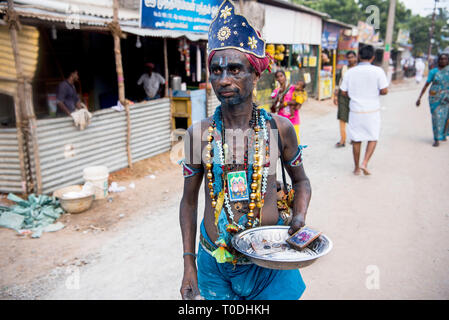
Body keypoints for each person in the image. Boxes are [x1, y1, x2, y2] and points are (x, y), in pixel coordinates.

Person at [179, 0, 311, 300]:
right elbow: (188, 203)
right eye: (216, 70)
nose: (223, 79)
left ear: (256, 75)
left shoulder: (280, 128)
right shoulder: (197, 135)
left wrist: (299, 218)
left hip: (270, 262)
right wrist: (188, 263)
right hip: (215, 264)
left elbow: (302, 182)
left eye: (235, 69)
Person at [340, 45, 389, 175]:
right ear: (373, 57)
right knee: (373, 137)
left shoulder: (350, 72)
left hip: (356, 110)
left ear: (359, 56)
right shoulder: (378, 71)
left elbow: (343, 92)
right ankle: (364, 162)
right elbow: (384, 91)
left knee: (356, 139)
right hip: (372, 110)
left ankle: (356, 168)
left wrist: (354, 93)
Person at [416, 53, 449, 147]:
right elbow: (426, 85)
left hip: (447, 98)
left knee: (445, 117)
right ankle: (436, 138)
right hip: (435, 98)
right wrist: (419, 98)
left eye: (445, 59)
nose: (443, 61)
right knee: (436, 118)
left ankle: (443, 134)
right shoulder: (433, 72)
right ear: (438, 61)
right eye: (441, 59)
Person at [333, 51, 358, 148]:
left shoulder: (358, 70)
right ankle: (342, 140)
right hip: (342, 96)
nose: (350, 59)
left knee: (354, 117)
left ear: (356, 58)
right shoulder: (344, 69)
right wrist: (335, 96)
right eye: (349, 57)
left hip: (355, 96)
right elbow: (338, 82)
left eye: (352, 57)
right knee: (342, 117)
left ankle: (354, 138)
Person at [271, 70, 301, 144]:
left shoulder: (293, 88)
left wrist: (285, 103)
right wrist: (277, 99)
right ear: (276, 79)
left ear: (285, 76)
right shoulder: (276, 91)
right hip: (282, 119)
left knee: (295, 141)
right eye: (277, 77)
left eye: (281, 76)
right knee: (283, 141)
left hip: (293, 118)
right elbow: (274, 106)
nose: (280, 78)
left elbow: (298, 101)